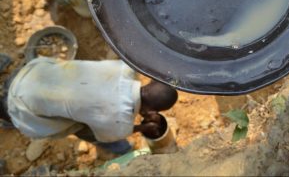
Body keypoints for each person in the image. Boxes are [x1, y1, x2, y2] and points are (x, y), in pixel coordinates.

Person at [0, 58, 178, 157]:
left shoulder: (124, 69)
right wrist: (143, 127)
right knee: (85, 129)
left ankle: (6, 100)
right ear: (150, 112)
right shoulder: (119, 120)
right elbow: (108, 134)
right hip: (24, 106)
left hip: (32, 75)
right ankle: (8, 117)